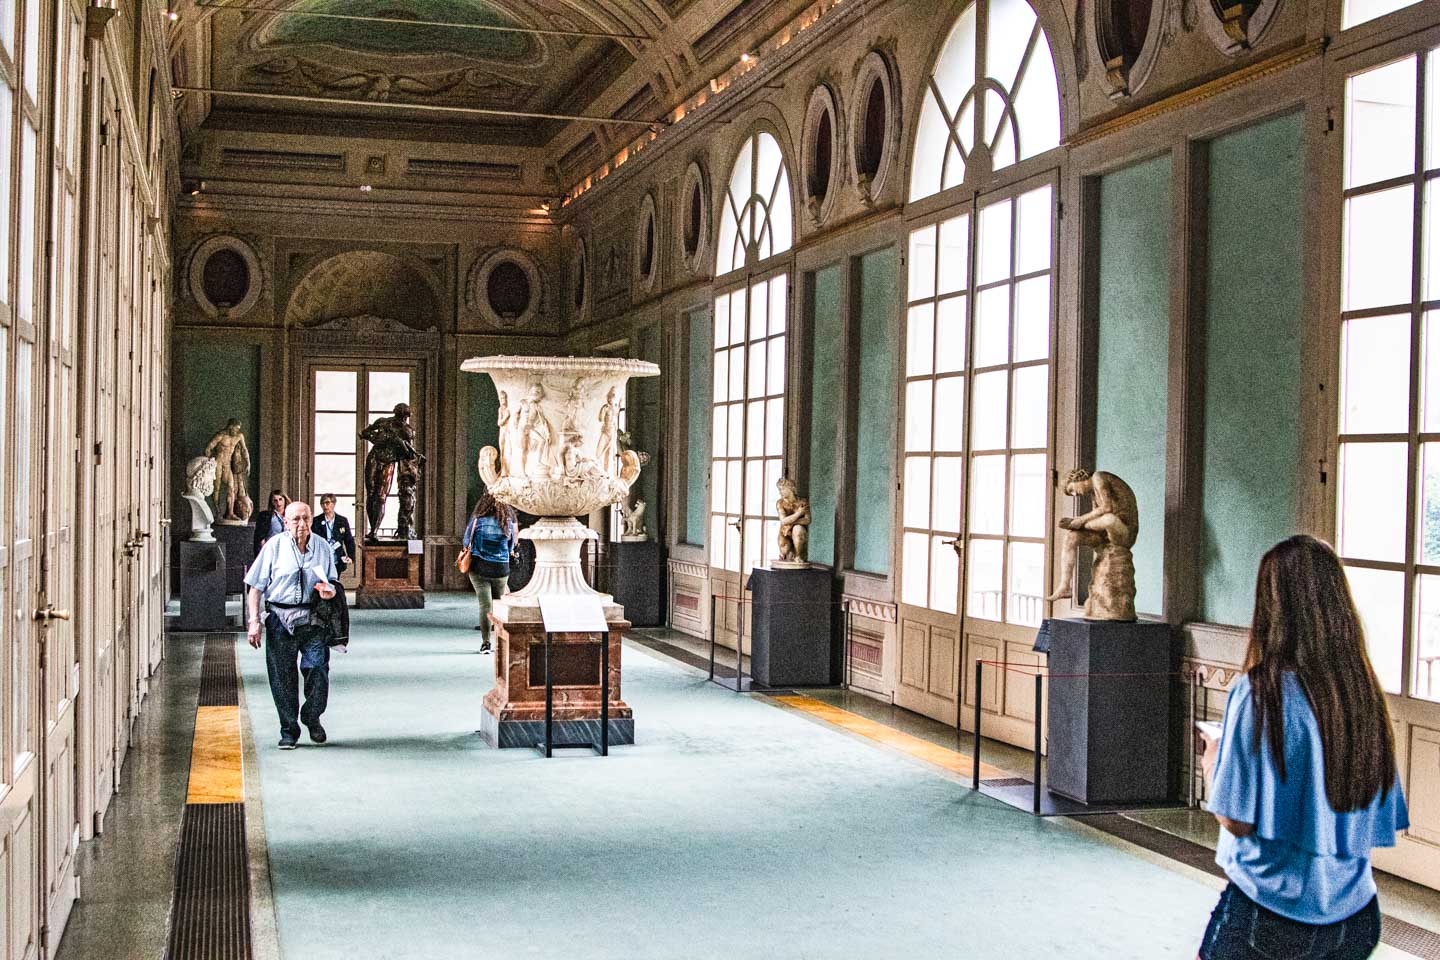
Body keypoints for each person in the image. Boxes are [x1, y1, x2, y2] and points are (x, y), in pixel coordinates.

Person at [1196, 535, 1408, 960]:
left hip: (1270, 910)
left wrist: (1211, 760)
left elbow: (1236, 820)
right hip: (1355, 915)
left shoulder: (1260, 693)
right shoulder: (1360, 692)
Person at [244, 500, 340, 749]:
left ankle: (312, 716)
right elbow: (255, 588)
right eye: (295, 519)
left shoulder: (323, 547)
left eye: (305, 518)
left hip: (313, 619)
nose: (301, 524)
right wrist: (254, 622)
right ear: (285, 522)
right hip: (280, 619)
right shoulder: (273, 547)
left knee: (318, 670)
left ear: (311, 519)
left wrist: (329, 591)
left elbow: (332, 582)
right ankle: (289, 730)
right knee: (282, 678)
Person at [463, 493, 518, 653]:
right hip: (500, 569)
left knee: (484, 606)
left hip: (479, 568)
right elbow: (511, 547)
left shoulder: (477, 521)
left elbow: (467, 541)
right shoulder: (506, 522)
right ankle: (502, 643)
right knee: (499, 606)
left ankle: (486, 643)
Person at [315, 493, 356, 576]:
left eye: (327, 503)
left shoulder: (342, 520)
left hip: (336, 557)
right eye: (322, 503)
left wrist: (351, 556)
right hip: (321, 558)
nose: (324, 506)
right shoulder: (316, 521)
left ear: (333, 504)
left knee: (334, 582)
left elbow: (349, 540)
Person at [252, 490, 289, 555]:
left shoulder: (291, 515)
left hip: (287, 551)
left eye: (280, 499)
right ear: (272, 502)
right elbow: (261, 538)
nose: (278, 503)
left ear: (285, 500)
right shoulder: (265, 516)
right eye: (275, 500)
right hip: (272, 550)